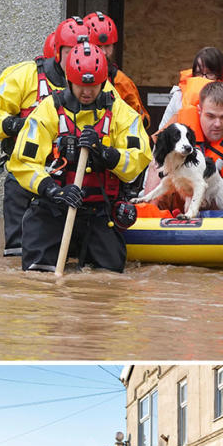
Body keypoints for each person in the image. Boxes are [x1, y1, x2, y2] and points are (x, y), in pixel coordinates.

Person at [9, 42, 151, 273]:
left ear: (104, 82)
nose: (87, 92)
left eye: (94, 86)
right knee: (38, 278)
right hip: (53, 209)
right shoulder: (48, 110)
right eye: (81, 86)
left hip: (99, 212)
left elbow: (138, 158)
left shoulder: (121, 113)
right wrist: (53, 191)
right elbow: (23, 162)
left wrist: (106, 154)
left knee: (109, 278)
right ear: (69, 80)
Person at [0, 17, 87, 256]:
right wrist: (17, 125)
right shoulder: (25, 75)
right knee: (18, 255)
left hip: (71, 178)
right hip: (27, 174)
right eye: (70, 51)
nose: (77, 58)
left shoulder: (95, 86)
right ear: (58, 51)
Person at [142, 80, 223, 207]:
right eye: (210, 116)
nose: (217, 124)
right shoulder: (178, 123)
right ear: (199, 110)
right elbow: (156, 164)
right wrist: (150, 211)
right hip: (180, 206)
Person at [83, 11, 148, 128]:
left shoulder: (121, 81)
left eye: (108, 46)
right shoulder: (68, 77)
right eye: (98, 46)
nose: (103, 52)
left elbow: (139, 121)